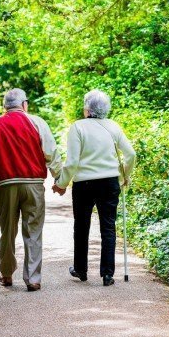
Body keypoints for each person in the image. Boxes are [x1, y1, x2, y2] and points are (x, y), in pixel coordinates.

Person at [0, 88, 62, 292]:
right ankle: (32, 278)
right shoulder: (37, 122)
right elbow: (51, 153)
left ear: (5, 106)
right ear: (24, 105)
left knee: (8, 231)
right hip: (33, 184)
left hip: (5, 185)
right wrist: (60, 179)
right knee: (33, 231)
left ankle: (6, 273)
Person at [53, 89, 136, 286]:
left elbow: (72, 162)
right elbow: (130, 154)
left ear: (87, 109)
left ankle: (81, 269)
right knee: (108, 226)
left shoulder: (78, 127)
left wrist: (61, 184)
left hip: (84, 184)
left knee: (81, 226)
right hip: (109, 182)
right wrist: (125, 175)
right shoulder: (113, 126)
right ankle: (107, 274)